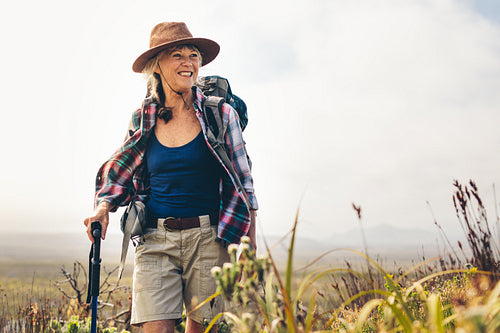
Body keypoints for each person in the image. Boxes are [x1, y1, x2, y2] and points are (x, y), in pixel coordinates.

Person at [83, 22, 258, 332]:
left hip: (210, 239)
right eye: (177, 54)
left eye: (193, 55)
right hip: (155, 240)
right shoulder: (143, 117)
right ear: (157, 66)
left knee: (202, 328)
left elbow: (244, 185)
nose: (187, 62)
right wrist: (103, 207)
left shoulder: (220, 115)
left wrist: (248, 247)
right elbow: (121, 168)